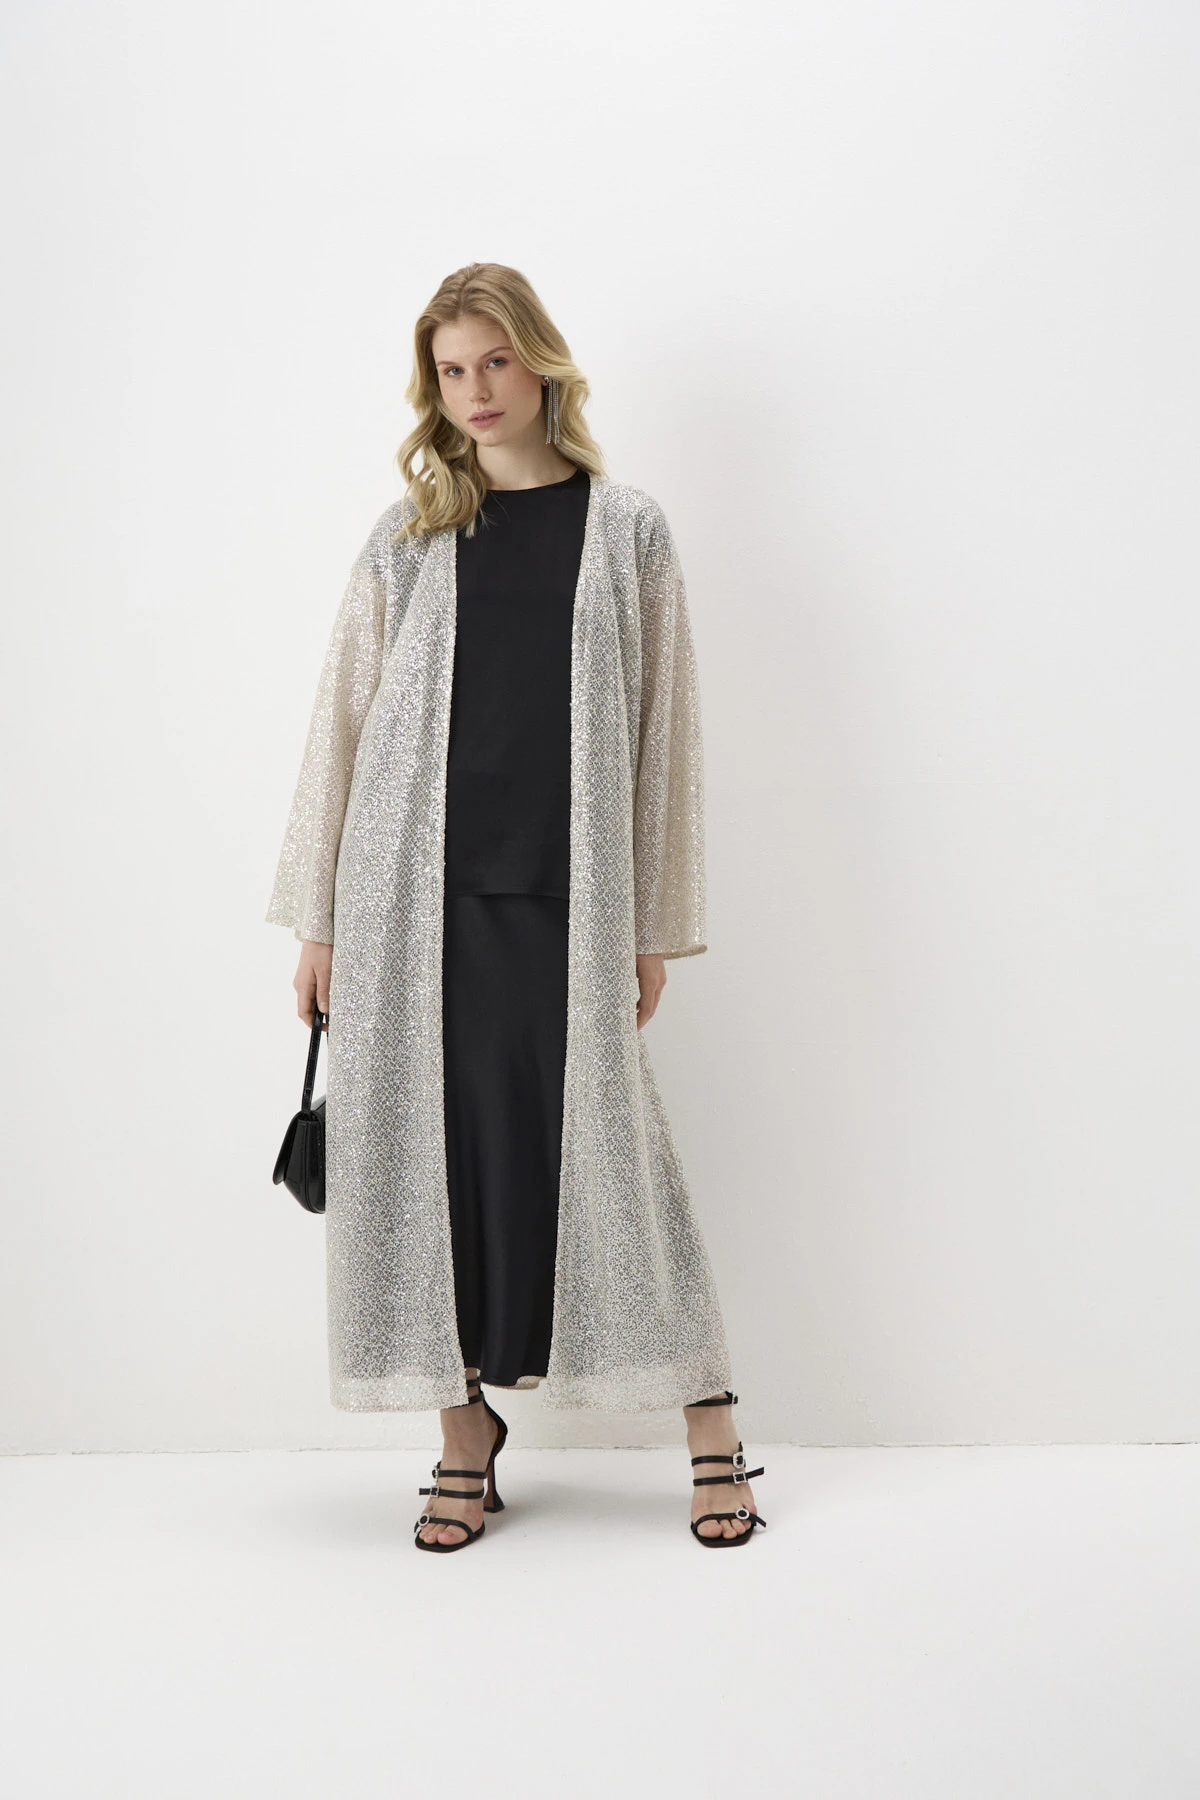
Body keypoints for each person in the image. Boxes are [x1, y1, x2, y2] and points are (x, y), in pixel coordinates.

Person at [265, 262, 766, 1551]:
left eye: (495, 361)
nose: (476, 391)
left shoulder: (628, 528)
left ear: (541, 363)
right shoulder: (409, 533)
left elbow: (663, 732)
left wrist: (651, 924)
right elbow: (343, 721)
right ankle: (462, 1434)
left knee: (612, 1157)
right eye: (451, 371)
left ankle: (712, 1420)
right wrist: (321, 922)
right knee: (424, 1164)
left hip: (566, 895)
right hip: (406, 900)